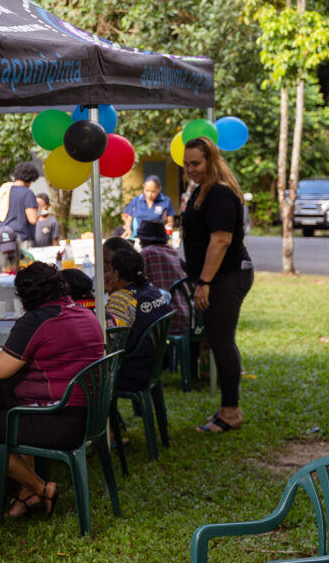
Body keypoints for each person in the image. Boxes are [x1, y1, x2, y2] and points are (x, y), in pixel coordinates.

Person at [0, 262, 104, 518]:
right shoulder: (84, 314)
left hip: (58, 419)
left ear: (25, 296)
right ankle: (27, 493)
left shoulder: (37, 320)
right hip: (90, 415)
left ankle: (41, 487)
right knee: (14, 402)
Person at [180, 137, 253, 434]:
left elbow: (221, 240)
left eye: (196, 163)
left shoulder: (219, 193)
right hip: (221, 275)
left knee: (220, 341)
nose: (190, 169)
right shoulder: (207, 190)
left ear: (211, 160)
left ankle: (230, 412)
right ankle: (229, 407)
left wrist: (205, 282)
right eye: (186, 164)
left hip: (225, 276)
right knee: (221, 340)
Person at [102, 247, 172, 391]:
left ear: (116, 274)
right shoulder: (152, 289)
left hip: (131, 373)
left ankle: (112, 414)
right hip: (153, 366)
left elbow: (111, 343)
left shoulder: (121, 298)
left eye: (110, 269)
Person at [136, 219, 190, 334]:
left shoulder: (146, 253)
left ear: (145, 240)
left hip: (164, 318)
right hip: (188, 314)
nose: (139, 243)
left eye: (140, 239)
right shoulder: (174, 251)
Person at [0, 161, 41, 245]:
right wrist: (40, 206)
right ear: (31, 178)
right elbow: (33, 219)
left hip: (2, 237)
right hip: (20, 238)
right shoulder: (27, 193)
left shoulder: (5, 190)